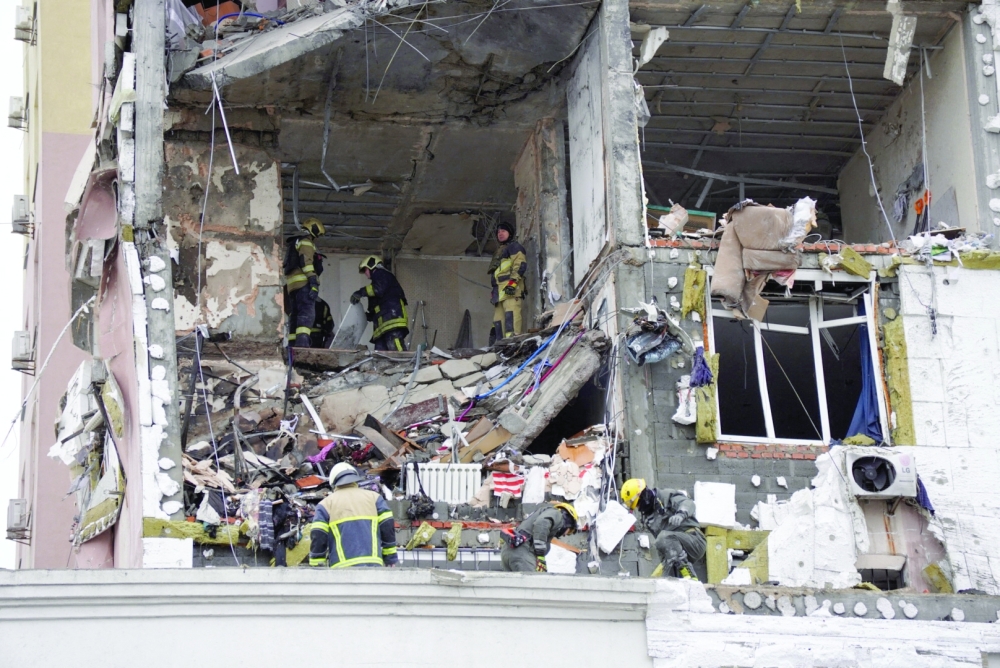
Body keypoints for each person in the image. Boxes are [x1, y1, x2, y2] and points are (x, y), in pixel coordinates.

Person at [308, 463, 398, 568]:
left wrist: (316, 565)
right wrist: (390, 558)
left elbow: (318, 535)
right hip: (373, 565)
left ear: (334, 483)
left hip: (341, 568)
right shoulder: (375, 498)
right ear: (355, 479)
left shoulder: (325, 504)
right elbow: (387, 527)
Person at [621, 479, 705, 580]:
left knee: (663, 538)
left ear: (643, 495)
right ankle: (680, 581)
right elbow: (663, 546)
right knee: (665, 576)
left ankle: (689, 576)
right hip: (677, 548)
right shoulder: (648, 519)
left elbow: (688, 503)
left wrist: (681, 514)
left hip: (694, 540)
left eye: (638, 503)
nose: (639, 508)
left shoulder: (665, 496)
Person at [350, 255, 409, 352]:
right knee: (380, 355)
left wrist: (360, 292)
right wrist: (368, 316)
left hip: (392, 319)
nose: (365, 273)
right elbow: (378, 304)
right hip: (383, 325)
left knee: (396, 348)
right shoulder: (379, 280)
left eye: (365, 270)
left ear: (371, 265)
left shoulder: (382, 274)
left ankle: (404, 365)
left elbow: (378, 289)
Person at [500, 502, 577, 573]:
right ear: (568, 521)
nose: (565, 535)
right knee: (531, 586)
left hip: (508, 552)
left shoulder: (541, 512)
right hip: (522, 553)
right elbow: (541, 523)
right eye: (569, 531)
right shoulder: (557, 514)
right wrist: (540, 555)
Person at [284, 218, 324, 347]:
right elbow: (306, 262)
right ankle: (302, 346)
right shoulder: (305, 242)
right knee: (307, 314)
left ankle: (292, 344)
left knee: (294, 315)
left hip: (292, 287)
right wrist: (313, 280)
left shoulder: (294, 243)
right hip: (303, 284)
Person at [488, 222, 528, 345]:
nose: (500, 234)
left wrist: (512, 284)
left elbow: (520, 265)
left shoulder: (514, 247)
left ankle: (512, 344)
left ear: (510, 233)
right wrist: (494, 291)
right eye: (498, 232)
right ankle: (500, 346)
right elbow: (497, 274)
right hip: (499, 293)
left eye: (503, 231)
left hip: (510, 290)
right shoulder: (500, 252)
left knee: (511, 317)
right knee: (498, 321)